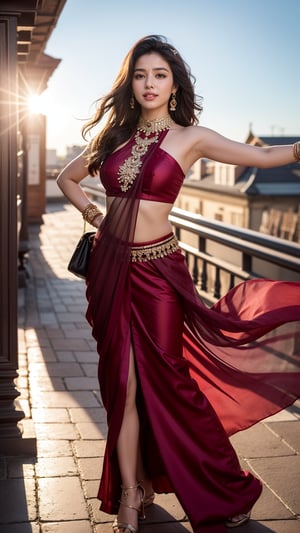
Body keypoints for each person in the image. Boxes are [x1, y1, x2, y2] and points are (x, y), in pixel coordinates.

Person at [57, 35, 300, 533]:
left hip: (161, 273)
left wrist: (298, 149)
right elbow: (67, 177)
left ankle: (219, 486)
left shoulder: (192, 137)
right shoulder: (113, 134)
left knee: (170, 383)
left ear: (173, 84)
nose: (150, 84)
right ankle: (130, 492)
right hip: (109, 269)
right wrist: (93, 214)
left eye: (160, 75)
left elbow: (261, 158)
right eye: (141, 74)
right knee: (121, 385)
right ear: (131, 82)